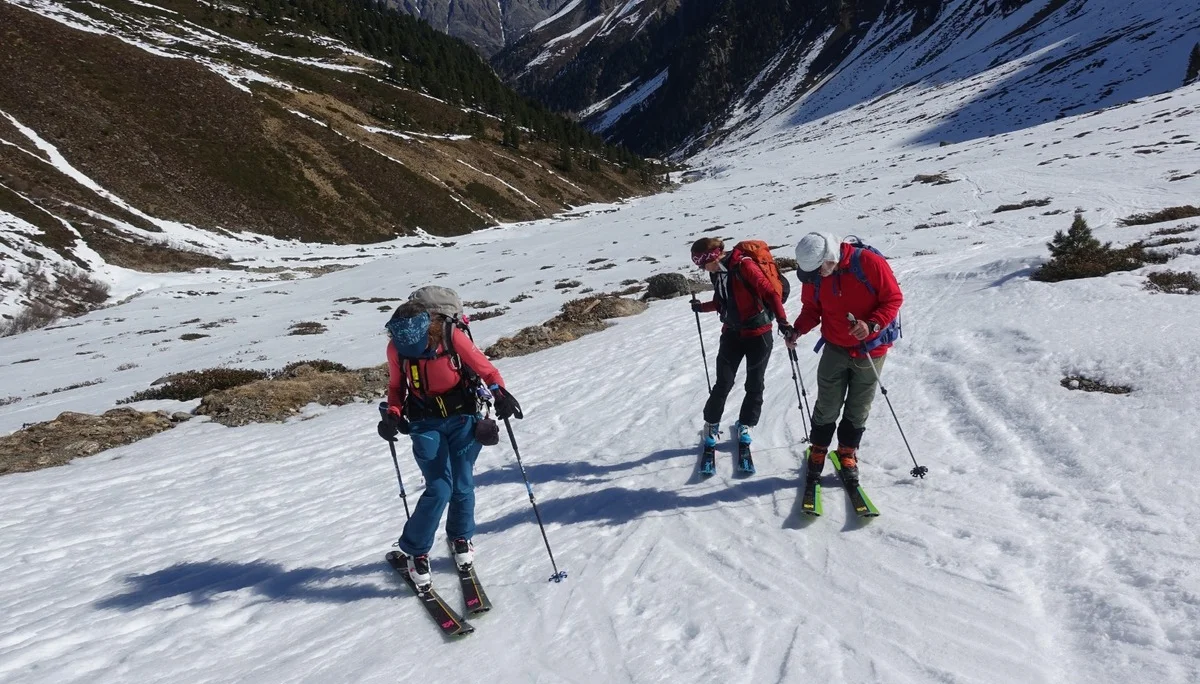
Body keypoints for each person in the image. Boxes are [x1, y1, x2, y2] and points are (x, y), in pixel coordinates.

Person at [377, 300, 522, 590]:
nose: (407, 347)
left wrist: (500, 394)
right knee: (440, 488)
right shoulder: (396, 349)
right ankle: (416, 551)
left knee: (462, 483)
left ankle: (460, 537)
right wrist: (393, 414)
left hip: (463, 418)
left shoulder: (450, 336)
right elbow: (396, 387)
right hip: (424, 422)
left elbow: (487, 371)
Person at [786, 232, 903, 486]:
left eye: (819, 270)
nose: (816, 276)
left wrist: (872, 324)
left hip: (871, 349)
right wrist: (797, 330)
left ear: (830, 257)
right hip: (835, 346)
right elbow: (812, 309)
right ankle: (819, 448)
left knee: (859, 406)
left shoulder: (869, 263)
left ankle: (847, 453)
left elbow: (893, 299)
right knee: (827, 404)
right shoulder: (815, 273)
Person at [690, 237, 793, 449]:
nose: (702, 268)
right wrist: (702, 308)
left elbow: (771, 294)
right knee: (723, 382)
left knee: (755, 384)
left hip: (759, 334)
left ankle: (745, 424)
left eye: (702, 263)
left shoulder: (744, 265)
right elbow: (722, 302)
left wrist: (783, 322)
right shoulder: (716, 272)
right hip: (732, 333)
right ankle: (711, 424)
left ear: (714, 255)